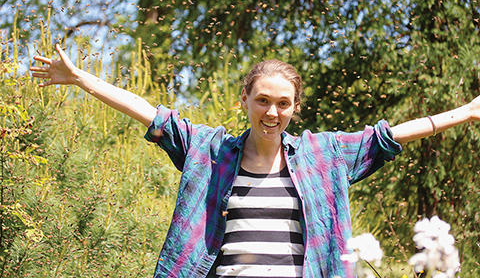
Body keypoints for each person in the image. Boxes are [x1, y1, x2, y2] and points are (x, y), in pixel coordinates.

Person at [31, 44, 480, 278]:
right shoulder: (210, 153)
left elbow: (389, 135)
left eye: (283, 103)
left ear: (295, 108)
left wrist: (470, 111)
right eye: (262, 100)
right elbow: (149, 111)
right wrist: (80, 79)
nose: (271, 112)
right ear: (244, 98)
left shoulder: (324, 156)